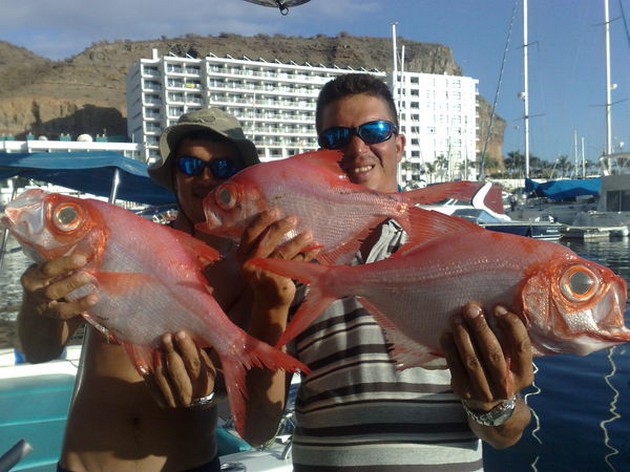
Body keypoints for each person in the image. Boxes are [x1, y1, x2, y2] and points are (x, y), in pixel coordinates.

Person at [241, 73, 534, 471]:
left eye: (375, 130)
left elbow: (508, 432)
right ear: (319, 153)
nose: (357, 147)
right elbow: (258, 430)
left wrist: (493, 406)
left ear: (399, 144)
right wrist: (269, 306)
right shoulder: (289, 258)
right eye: (336, 137)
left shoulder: (466, 254)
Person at [16, 107, 305, 472]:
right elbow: (41, 351)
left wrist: (207, 396)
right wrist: (36, 303)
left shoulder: (258, 278)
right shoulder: (122, 246)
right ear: (172, 174)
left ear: (241, 182)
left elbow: (259, 426)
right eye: (189, 165)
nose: (205, 177)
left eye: (223, 168)